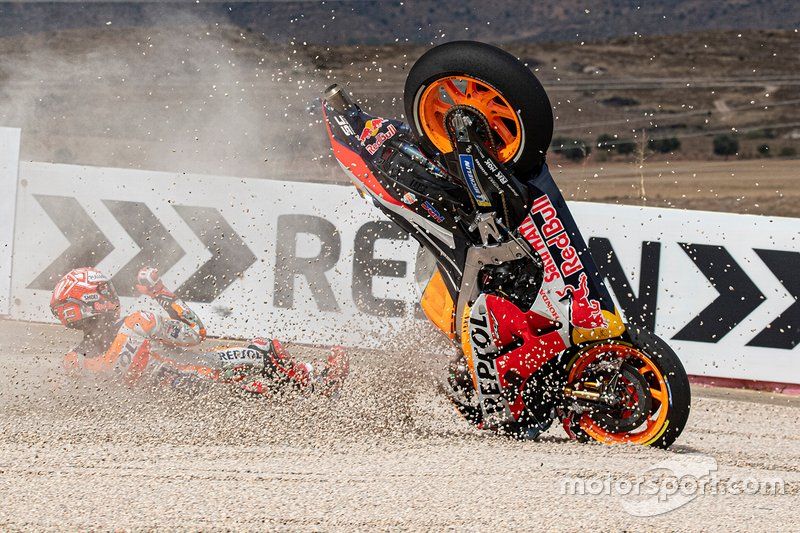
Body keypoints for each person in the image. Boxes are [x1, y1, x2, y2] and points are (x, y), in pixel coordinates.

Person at [50, 266, 348, 396]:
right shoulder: (138, 322)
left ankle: (310, 383)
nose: (110, 294)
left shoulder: (73, 361)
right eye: (103, 290)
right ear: (91, 301)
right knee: (263, 350)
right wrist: (159, 292)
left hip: (183, 392)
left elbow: (105, 377)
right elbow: (195, 332)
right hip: (205, 378)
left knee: (255, 360)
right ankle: (319, 382)